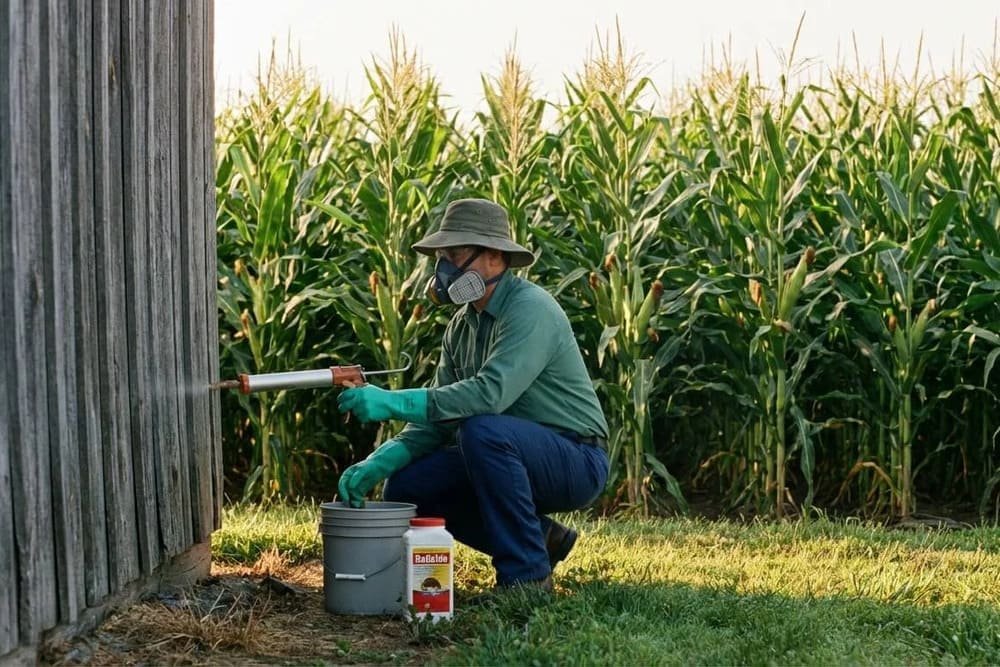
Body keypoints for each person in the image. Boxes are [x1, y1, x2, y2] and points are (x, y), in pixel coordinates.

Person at [336, 198, 609, 590]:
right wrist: (380, 461)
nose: (444, 267)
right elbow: (441, 414)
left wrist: (392, 401)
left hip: (574, 458)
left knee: (482, 430)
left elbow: (489, 395)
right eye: (441, 255)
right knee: (409, 487)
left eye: (456, 253)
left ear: (495, 257)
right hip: (506, 454)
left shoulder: (530, 310)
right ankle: (542, 539)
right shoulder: (461, 328)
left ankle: (527, 578)